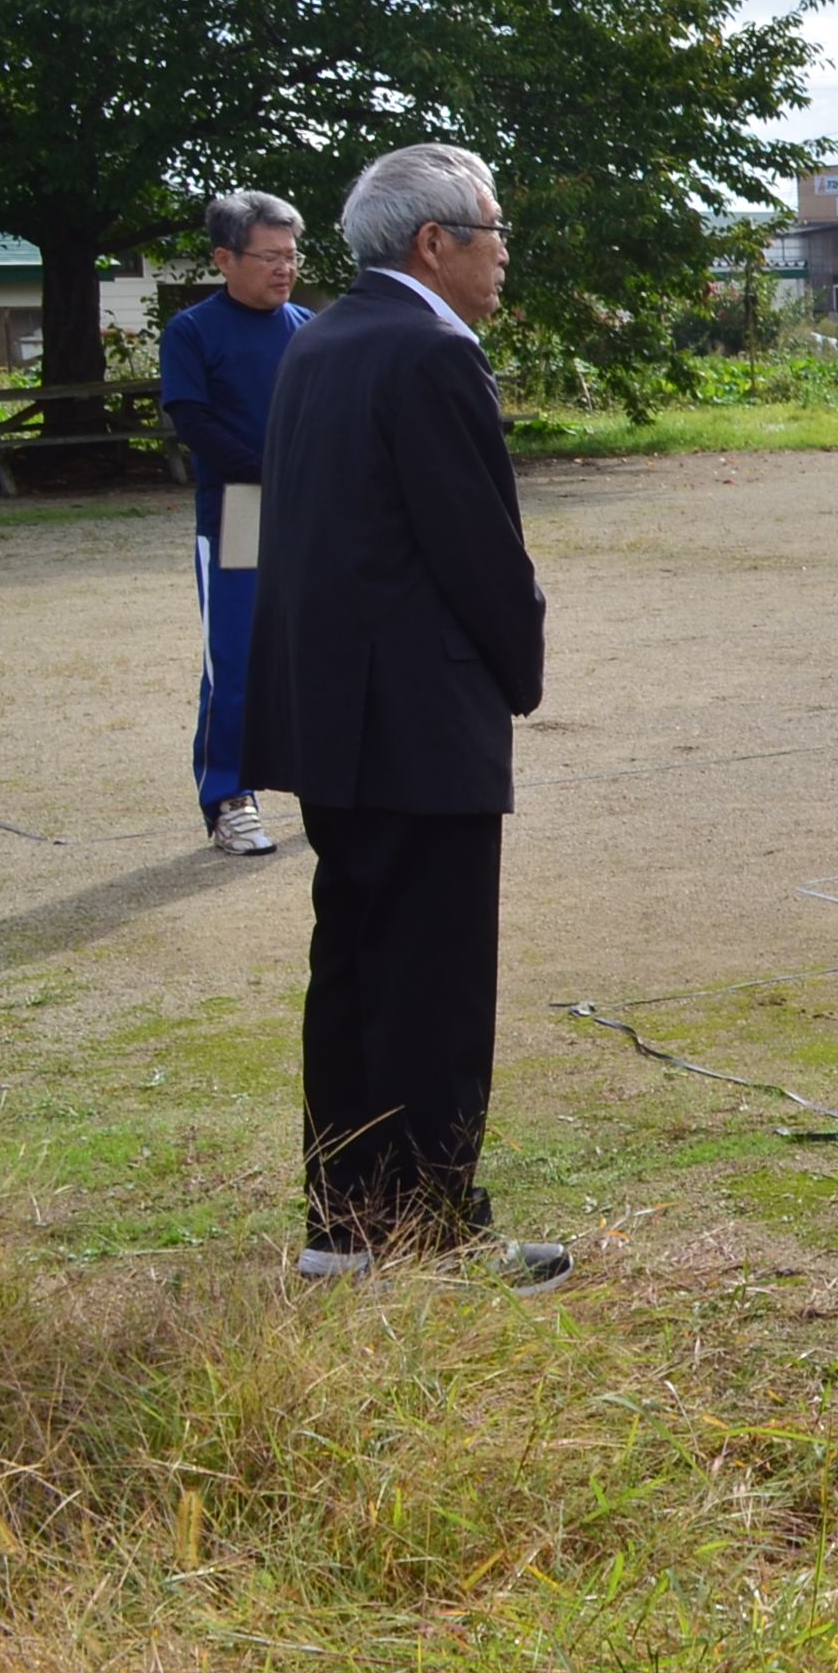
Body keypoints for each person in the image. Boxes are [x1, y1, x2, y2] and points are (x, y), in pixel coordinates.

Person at [240, 144, 564, 1286]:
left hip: (333, 714)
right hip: (417, 718)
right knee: (430, 982)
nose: (504, 253)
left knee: (358, 972)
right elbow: (478, 546)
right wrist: (520, 667)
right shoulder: (429, 349)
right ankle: (433, 1227)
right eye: (493, 230)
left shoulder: (322, 339)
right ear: (436, 243)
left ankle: (344, 1227)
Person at [158, 189, 313, 856]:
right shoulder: (192, 331)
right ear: (225, 258)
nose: (285, 268)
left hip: (311, 509)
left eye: (292, 255)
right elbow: (192, 420)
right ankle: (228, 798)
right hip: (238, 510)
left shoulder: (310, 327)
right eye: (269, 255)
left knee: (319, 648)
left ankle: (331, 782)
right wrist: (271, 470)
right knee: (237, 660)